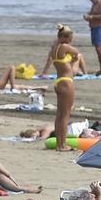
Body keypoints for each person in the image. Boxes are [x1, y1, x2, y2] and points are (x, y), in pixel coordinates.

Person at [43, 24, 80, 152]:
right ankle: (62, 144)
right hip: (66, 81)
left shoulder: (55, 48)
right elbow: (76, 53)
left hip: (59, 81)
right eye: (71, 37)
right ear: (67, 37)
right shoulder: (64, 47)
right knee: (65, 115)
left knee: (59, 115)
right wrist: (74, 60)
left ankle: (60, 143)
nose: (71, 40)